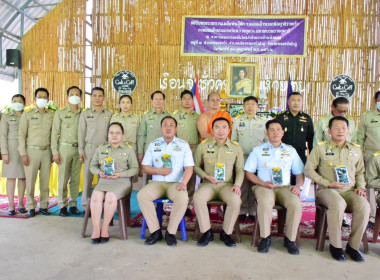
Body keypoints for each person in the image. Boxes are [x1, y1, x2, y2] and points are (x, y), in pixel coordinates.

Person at [305, 116, 370, 262]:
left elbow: (360, 172)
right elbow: (309, 170)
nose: (340, 131)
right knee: (338, 204)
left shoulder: (356, 150)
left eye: (343, 128)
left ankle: (353, 247)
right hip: (327, 191)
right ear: (329, 131)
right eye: (336, 128)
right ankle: (336, 246)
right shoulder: (320, 149)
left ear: (348, 131)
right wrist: (327, 183)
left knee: (364, 206)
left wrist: (361, 187)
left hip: (350, 190)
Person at [244, 119, 304, 255]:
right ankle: (265, 237)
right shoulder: (258, 150)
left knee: (295, 204)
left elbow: (299, 173)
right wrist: (262, 183)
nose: (275, 132)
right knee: (265, 203)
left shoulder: (290, 151)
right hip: (264, 186)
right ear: (267, 133)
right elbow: (249, 173)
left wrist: (298, 186)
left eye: (278, 130)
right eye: (272, 130)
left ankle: (290, 239)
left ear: (283, 133)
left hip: (285, 187)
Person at [137, 116, 193, 246]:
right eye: (165, 125)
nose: (168, 127)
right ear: (160, 128)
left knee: (183, 198)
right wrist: (158, 171)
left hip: (175, 184)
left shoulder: (183, 146)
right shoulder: (153, 144)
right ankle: (155, 231)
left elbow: (189, 168)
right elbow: (145, 167)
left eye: (171, 125)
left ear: (176, 128)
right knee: (142, 195)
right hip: (157, 183)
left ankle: (170, 232)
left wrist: (183, 183)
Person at [193, 117, 244, 247]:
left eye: (224, 127)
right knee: (198, 198)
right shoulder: (203, 145)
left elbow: (240, 170)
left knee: (235, 200)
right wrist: (205, 176)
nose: (221, 130)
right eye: (217, 127)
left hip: (227, 185)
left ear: (229, 130)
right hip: (208, 184)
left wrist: (237, 185)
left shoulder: (236, 147)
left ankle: (226, 233)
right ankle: (206, 232)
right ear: (212, 129)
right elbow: (195, 166)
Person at [89, 122, 139, 244]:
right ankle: (96, 229)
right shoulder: (101, 149)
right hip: (104, 180)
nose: (114, 135)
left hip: (122, 181)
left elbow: (135, 169)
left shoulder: (128, 150)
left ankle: (105, 228)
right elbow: (92, 166)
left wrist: (121, 174)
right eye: (111, 133)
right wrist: (99, 172)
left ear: (122, 135)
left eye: (118, 133)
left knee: (110, 196)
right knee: (96, 196)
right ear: (108, 135)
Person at [18, 88, 54, 217]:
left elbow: (54, 135)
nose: (42, 99)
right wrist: (23, 153)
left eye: (45, 97)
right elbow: (21, 135)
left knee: (45, 180)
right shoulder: (27, 114)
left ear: (48, 99)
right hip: (31, 151)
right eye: (40, 97)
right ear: (35, 99)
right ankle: (30, 206)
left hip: (46, 151)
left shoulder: (51, 115)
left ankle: (44, 205)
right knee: (30, 181)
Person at [231, 96, 267, 220]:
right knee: (243, 184)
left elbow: (267, 142)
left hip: (259, 159)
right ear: (243, 107)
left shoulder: (263, 121)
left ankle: (252, 210)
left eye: (253, 104)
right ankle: (242, 209)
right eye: (247, 104)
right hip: (243, 157)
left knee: (255, 184)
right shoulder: (237, 120)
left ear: (257, 107)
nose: (250, 106)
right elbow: (234, 141)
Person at [78, 87, 112, 210]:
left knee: (103, 178)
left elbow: (111, 133)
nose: (97, 98)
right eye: (95, 96)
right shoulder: (85, 113)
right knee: (87, 177)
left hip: (104, 150)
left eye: (100, 96)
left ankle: (101, 205)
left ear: (104, 98)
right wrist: (81, 150)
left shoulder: (109, 114)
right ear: (91, 97)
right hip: (89, 149)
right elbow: (81, 133)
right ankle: (85, 206)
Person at [51, 86, 83, 217]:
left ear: (81, 97)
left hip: (79, 149)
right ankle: (62, 205)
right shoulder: (60, 112)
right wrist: (55, 152)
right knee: (63, 178)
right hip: (64, 148)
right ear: (67, 97)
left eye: (77, 94)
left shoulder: (84, 113)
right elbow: (54, 133)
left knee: (75, 178)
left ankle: (73, 204)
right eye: (72, 94)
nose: (74, 96)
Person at [276, 92, 314, 200]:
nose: (296, 103)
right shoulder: (281, 117)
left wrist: (312, 159)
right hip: (283, 155)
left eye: (299, 100)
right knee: (283, 180)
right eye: (293, 100)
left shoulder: (306, 119)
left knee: (298, 182)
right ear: (288, 102)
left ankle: (295, 204)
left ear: (302, 102)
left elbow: (311, 139)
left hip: (300, 154)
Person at [172, 90, 200, 216]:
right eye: (185, 98)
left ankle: (188, 204)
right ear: (181, 100)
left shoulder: (197, 116)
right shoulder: (175, 116)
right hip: (179, 150)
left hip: (194, 149)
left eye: (190, 98)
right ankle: (179, 203)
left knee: (192, 177)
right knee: (180, 175)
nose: (187, 101)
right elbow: (172, 134)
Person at [356, 90, 380, 228]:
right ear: (375, 100)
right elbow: (360, 138)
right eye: (379, 99)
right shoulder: (367, 116)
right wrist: (359, 156)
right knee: (369, 184)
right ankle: (371, 217)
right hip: (371, 155)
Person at [137, 91, 170, 186]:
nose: (158, 101)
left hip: (165, 150)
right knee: (147, 175)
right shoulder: (146, 116)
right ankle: (146, 195)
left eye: (160, 99)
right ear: (152, 101)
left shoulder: (169, 116)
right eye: (156, 99)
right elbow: (141, 135)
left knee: (164, 174)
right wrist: (140, 152)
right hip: (149, 150)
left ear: (164, 101)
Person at [1, 94, 26, 215]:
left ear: (24, 103)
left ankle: (21, 203)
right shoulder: (6, 117)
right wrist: (4, 152)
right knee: (11, 178)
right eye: (14, 101)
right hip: (11, 150)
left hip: (25, 149)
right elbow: (2, 135)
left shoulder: (28, 116)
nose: (17, 103)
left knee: (23, 177)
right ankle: (11, 205)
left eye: (20, 101)